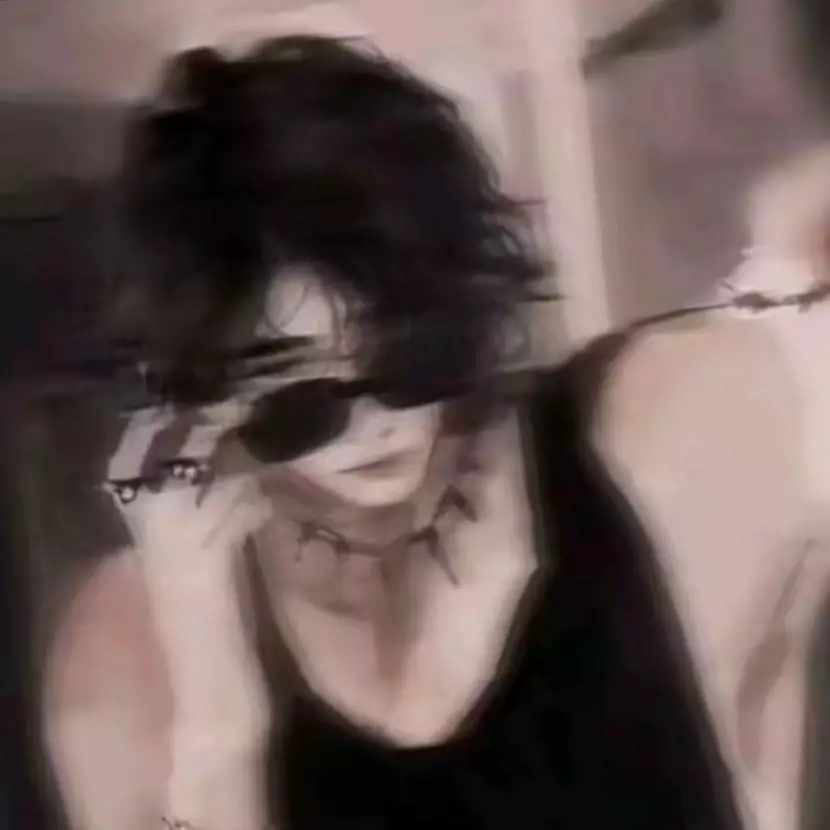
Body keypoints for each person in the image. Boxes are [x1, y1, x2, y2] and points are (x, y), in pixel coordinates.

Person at [41, 35, 749, 830]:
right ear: (203, 394)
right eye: (301, 396)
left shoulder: (636, 440)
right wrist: (217, 705)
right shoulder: (128, 644)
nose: (376, 422)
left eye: (411, 358)